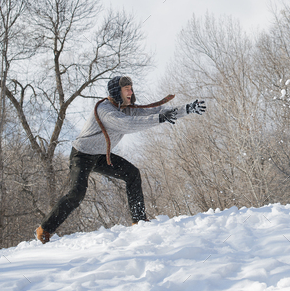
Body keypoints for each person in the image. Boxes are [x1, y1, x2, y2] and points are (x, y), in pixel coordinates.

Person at [35, 76, 206, 243]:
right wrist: (159, 119)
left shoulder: (126, 108)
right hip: (82, 154)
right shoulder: (105, 110)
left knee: (132, 174)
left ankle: (139, 221)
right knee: (77, 193)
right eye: (127, 89)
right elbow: (127, 124)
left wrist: (187, 109)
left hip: (102, 155)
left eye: (131, 88)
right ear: (117, 91)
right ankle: (45, 229)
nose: (131, 92)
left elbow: (156, 111)